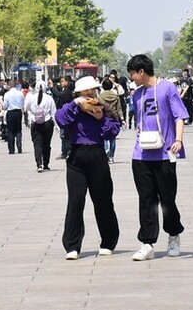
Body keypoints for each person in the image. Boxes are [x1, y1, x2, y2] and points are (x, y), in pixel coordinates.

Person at [126, 53, 189, 261]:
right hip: (141, 154)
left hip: (164, 153)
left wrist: (178, 140)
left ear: (141, 71)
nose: (131, 78)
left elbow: (179, 116)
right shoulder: (137, 94)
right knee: (146, 199)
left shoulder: (167, 88)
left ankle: (173, 235)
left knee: (167, 199)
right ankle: (147, 243)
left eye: (133, 73)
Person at [56, 75, 121, 260]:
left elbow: (113, 130)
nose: (90, 93)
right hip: (76, 156)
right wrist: (75, 104)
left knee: (103, 200)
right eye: (86, 90)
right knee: (75, 201)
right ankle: (72, 245)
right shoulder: (72, 107)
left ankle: (108, 241)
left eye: (92, 89)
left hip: (97, 154)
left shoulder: (103, 107)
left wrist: (100, 118)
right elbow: (60, 120)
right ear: (78, 92)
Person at [25, 80, 58, 173]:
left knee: (37, 144)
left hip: (35, 123)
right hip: (47, 123)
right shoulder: (49, 98)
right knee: (47, 144)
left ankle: (39, 164)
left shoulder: (31, 97)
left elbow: (26, 108)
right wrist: (57, 125)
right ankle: (46, 164)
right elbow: (53, 112)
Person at [98, 78, 125, 163]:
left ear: (103, 86)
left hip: (104, 119)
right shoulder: (116, 96)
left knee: (104, 137)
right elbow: (119, 109)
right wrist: (122, 119)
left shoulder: (100, 97)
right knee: (112, 138)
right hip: (114, 118)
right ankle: (111, 156)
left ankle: (106, 150)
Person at [3, 78, 25, 154]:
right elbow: (22, 103)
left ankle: (11, 149)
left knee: (10, 131)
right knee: (18, 130)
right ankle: (19, 144)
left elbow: (5, 105)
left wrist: (4, 108)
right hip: (18, 112)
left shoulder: (7, 94)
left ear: (9, 85)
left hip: (10, 112)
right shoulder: (20, 93)